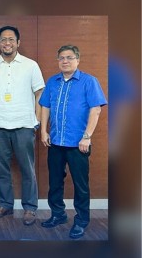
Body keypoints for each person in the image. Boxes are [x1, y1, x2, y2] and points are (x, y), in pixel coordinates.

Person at [39, 45, 107, 239]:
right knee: (55, 182)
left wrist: (87, 137)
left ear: (78, 60)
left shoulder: (89, 81)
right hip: (55, 143)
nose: (65, 61)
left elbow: (96, 110)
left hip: (79, 144)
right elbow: (45, 107)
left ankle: (82, 220)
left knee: (81, 184)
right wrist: (44, 131)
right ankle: (58, 215)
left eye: (69, 57)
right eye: (61, 58)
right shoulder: (53, 81)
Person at [0, 26, 44, 225]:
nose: (7, 43)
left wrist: (36, 121)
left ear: (18, 42)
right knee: (1, 169)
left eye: (11, 39)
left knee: (28, 169)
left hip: (24, 125)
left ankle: (30, 208)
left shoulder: (31, 65)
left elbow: (39, 94)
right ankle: (5, 205)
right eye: (3, 39)